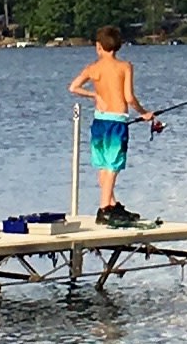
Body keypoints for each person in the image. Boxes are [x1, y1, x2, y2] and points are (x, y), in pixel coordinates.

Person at [68, 24, 162, 224]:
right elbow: (129, 97)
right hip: (116, 121)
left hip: (99, 121)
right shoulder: (125, 67)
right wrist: (144, 113)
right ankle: (104, 209)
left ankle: (112, 204)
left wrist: (94, 95)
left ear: (98, 46)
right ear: (118, 46)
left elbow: (74, 87)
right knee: (112, 166)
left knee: (103, 166)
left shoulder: (92, 69)